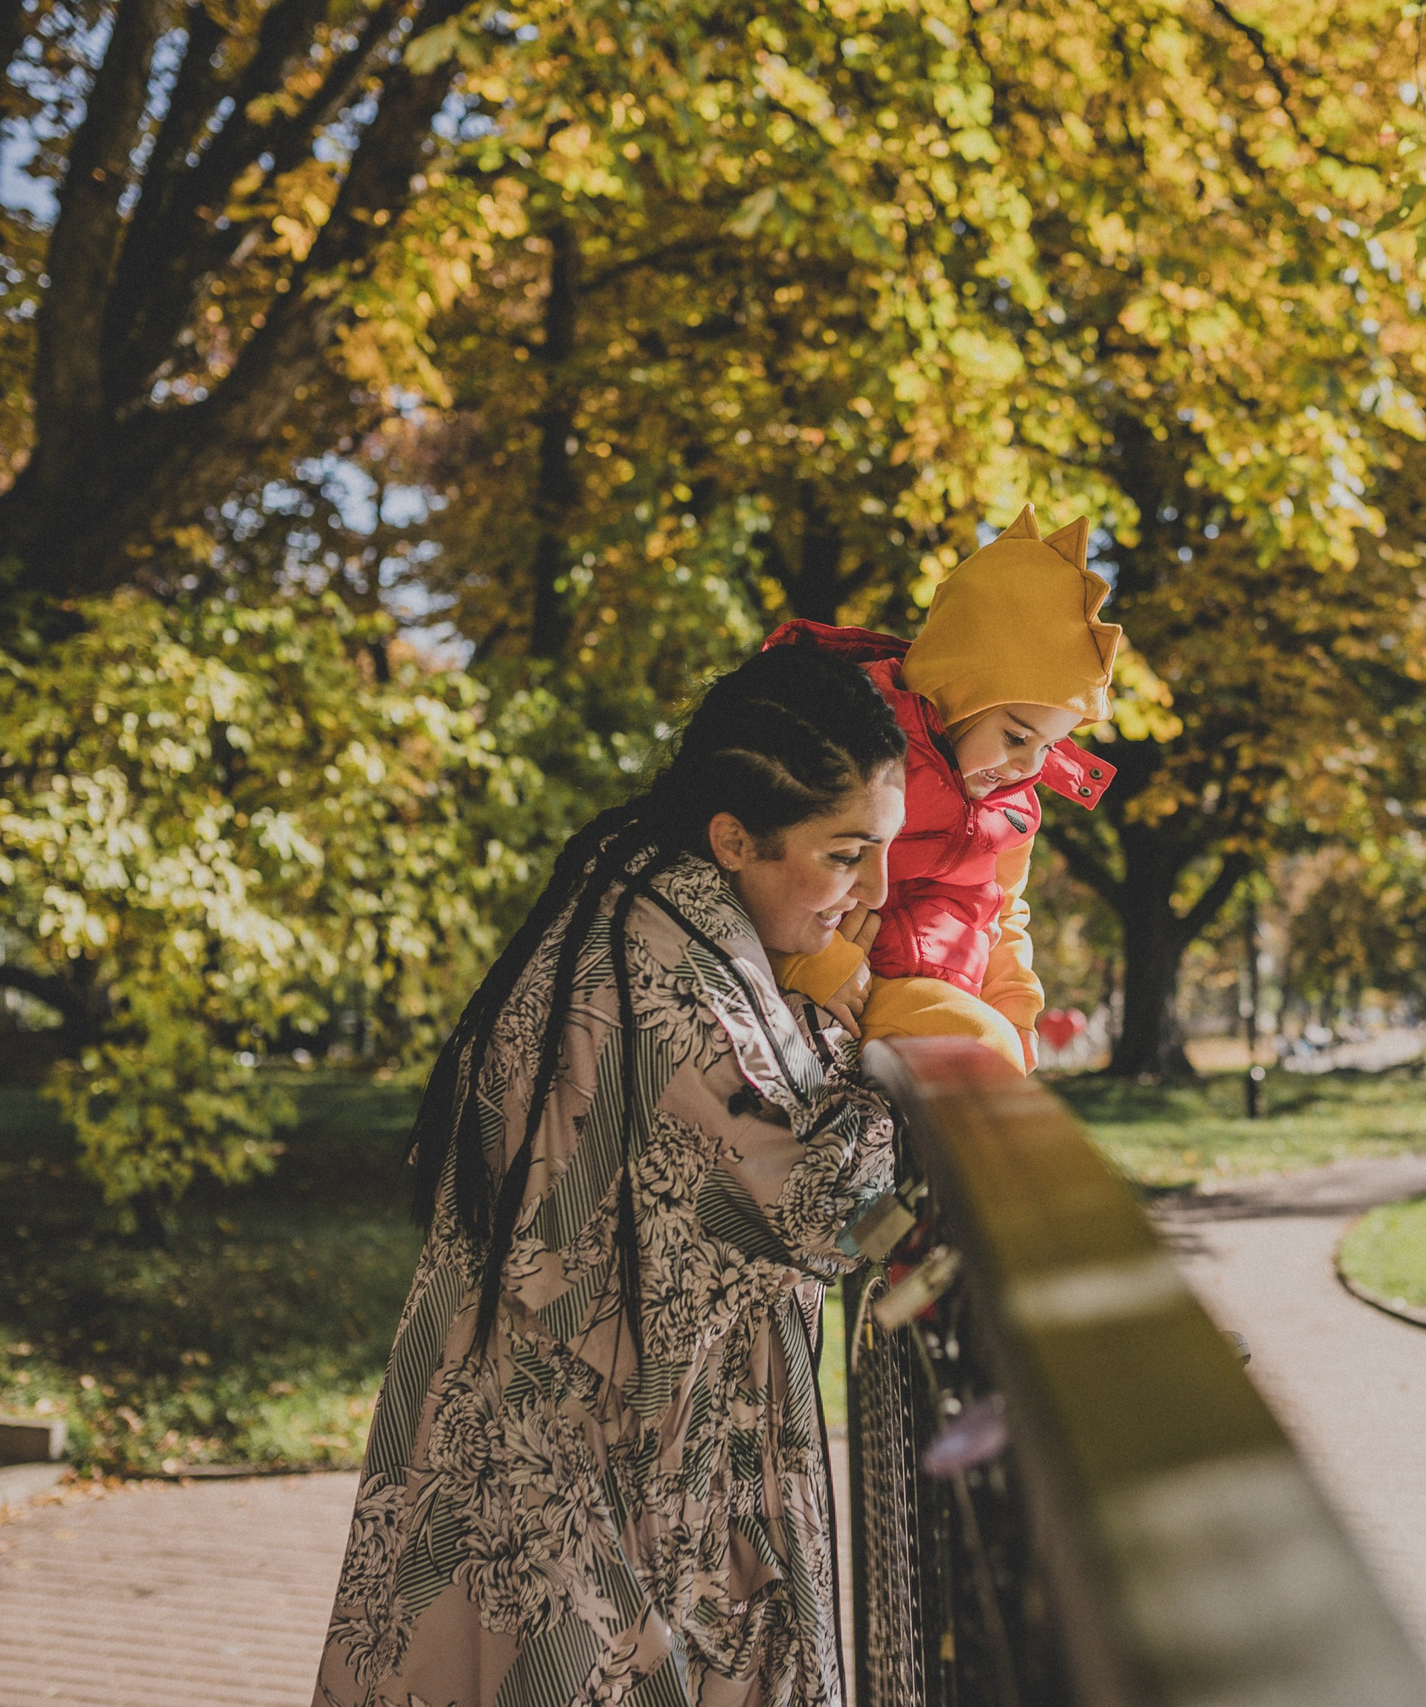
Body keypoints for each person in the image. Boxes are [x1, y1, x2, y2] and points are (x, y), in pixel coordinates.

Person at [313, 640, 908, 1707]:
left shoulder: (647, 899)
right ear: (735, 839)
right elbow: (833, 1202)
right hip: (581, 1496)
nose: (873, 893)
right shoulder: (671, 971)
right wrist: (883, 1043)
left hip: (548, 1454)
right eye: (845, 853)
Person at [762, 505, 1119, 1072]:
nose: (1029, 766)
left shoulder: (1014, 810)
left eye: (1049, 748)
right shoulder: (863, 749)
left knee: (999, 1057)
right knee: (982, 1056)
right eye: (1015, 735)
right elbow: (785, 862)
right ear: (954, 690)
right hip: (855, 983)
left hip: (949, 992)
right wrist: (815, 967)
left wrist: (1016, 1008)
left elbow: (1003, 913)